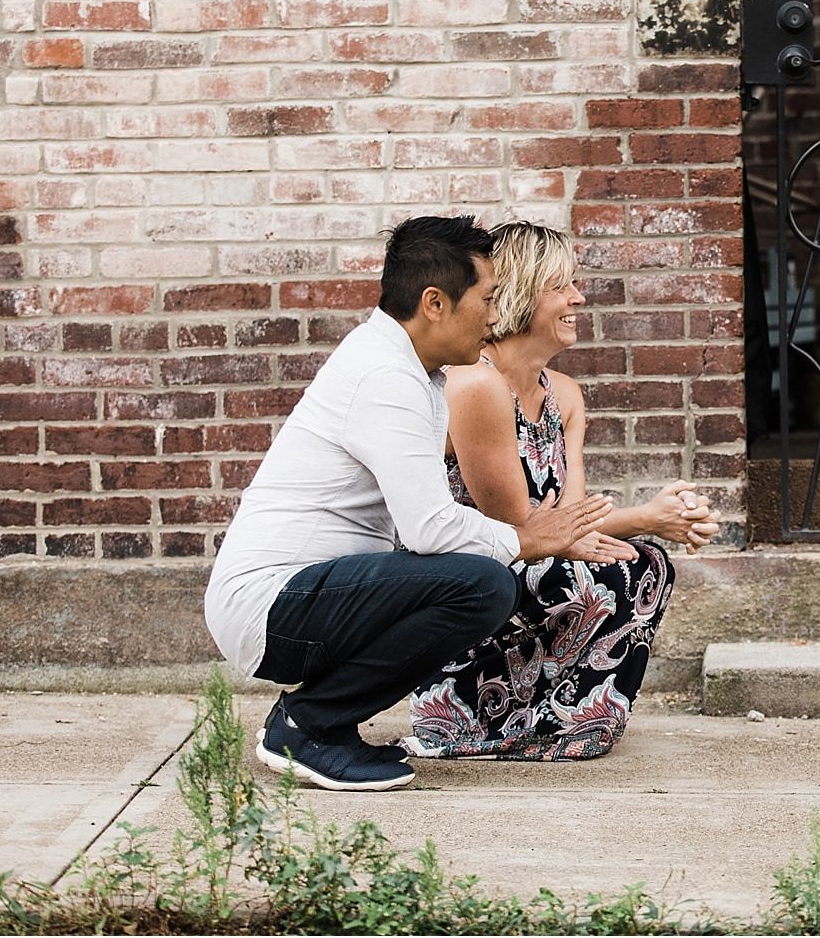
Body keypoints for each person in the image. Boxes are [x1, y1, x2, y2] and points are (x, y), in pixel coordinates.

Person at [203, 216, 614, 791]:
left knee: (477, 577)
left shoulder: (418, 375)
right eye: (488, 299)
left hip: (306, 599)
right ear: (435, 303)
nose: (496, 317)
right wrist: (524, 538)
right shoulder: (384, 378)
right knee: (481, 585)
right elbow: (429, 529)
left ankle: (323, 726)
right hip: (274, 607)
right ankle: (307, 727)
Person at [405, 222, 719, 760]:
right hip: (473, 570)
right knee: (579, 573)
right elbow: (524, 529)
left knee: (646, 564)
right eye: (560, 285)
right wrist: (647, 515)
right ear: (522, 292)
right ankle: (473, 720)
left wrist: (664, 519)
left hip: (536, 549)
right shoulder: (476, 386)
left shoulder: (564, 395)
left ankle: (562, 717)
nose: (577, 297)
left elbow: (570, 517)